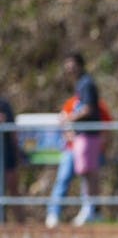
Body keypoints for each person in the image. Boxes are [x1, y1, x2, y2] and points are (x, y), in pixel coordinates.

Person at [49, 53, 104, 226]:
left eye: (72, 65)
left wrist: (69, 118)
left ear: (79, 65)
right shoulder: (81, 84)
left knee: (89, 174)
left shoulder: (86, 83)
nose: (69, 69)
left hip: (88, 135)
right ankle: (90, 208)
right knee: (85, 173)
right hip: (83, 136)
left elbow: (88, 109)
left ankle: (92, 209)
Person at [45, 93, 111, 228]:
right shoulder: (72, 103)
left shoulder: (97, 105)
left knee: (88, 180)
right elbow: (63, 122)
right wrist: (70, 137)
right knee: (63, 179)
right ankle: (54, 214)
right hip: (71, 150)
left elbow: (106, 127)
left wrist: (102, 147)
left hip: (89, 149)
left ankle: (89, 212)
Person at [1, 95, 23, 223]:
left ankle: (20, 222)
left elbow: (13, 132)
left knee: (13, 189)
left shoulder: (4, 104)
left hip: (7, 154)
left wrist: (17, 153)